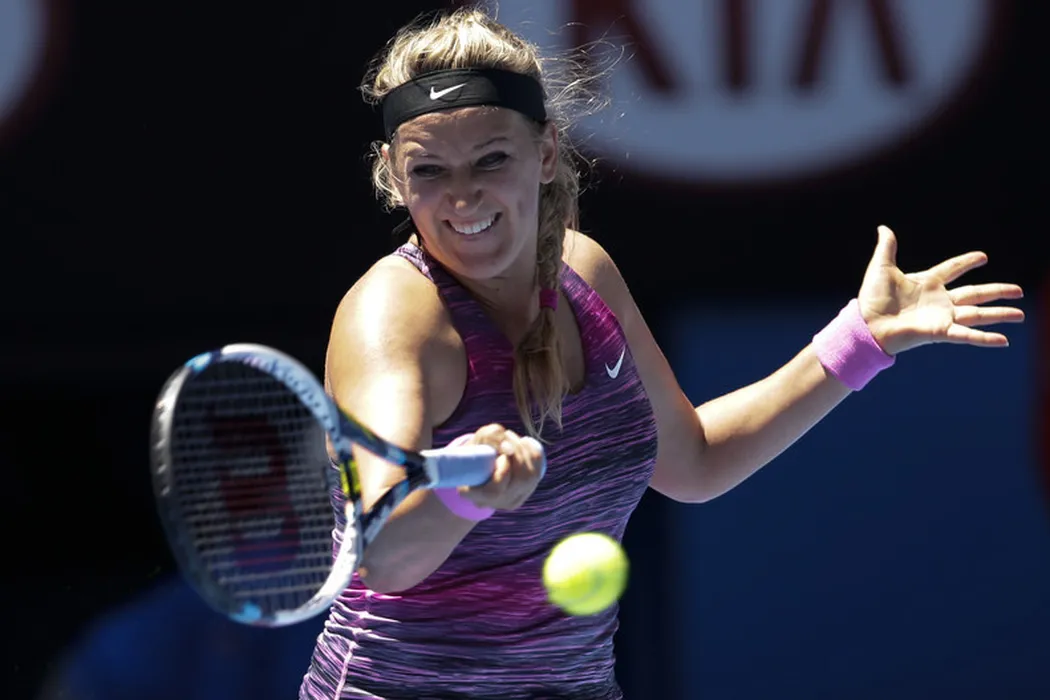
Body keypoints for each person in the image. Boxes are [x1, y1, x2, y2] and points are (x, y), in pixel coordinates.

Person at [300, 7, 1025, 699]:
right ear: (394, 174)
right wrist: (465, 494)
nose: (462, 198)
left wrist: (861, 337)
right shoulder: (394, 315)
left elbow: (693, 461)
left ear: (545, 153)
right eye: (429, 171)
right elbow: (382, 554)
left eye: (491, 159)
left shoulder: (583, 271)